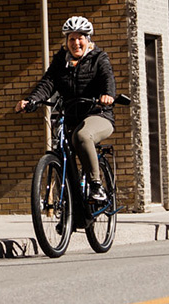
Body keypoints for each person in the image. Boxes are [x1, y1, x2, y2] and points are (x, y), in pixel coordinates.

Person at [16, 15, 115, 202]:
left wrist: (107, 95)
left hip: (98, 114)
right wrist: (31, 101)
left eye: (80, 38)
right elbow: (47, 83)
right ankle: (70, 211)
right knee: (63, 149)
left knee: (82, 136)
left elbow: (107, 79)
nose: (76, 43)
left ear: (88, 40)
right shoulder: (61, 61)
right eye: (71, 38)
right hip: (71, 115)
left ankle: (96, 185)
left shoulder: (98, 59)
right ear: (66, 41)